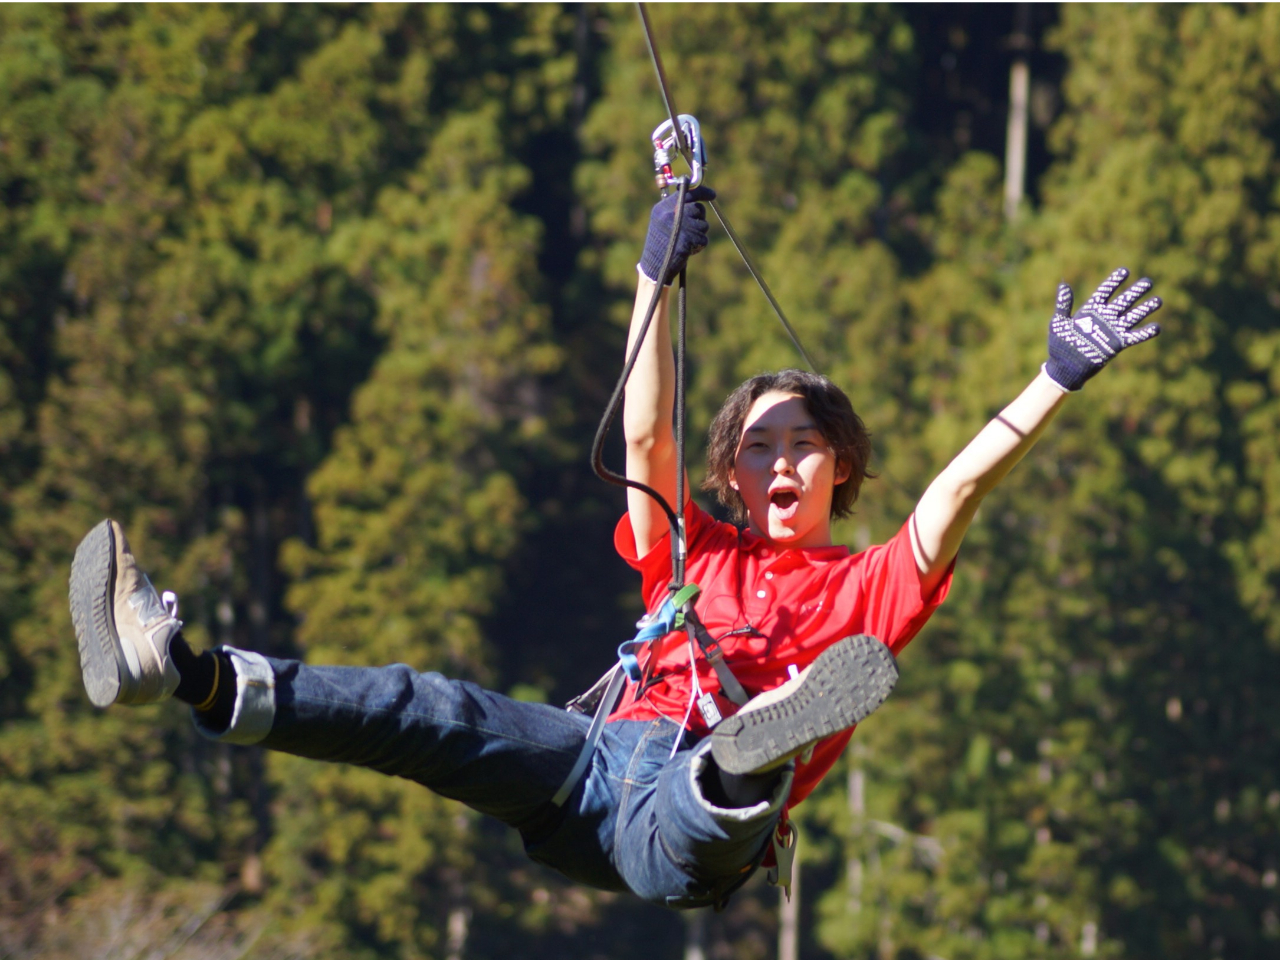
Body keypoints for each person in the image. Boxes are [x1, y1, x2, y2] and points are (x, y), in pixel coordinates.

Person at [68, 187, 1162, 910]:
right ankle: (186, 674)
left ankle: (749, 757)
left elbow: (956, 489)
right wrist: (655, 269)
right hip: (587, 762)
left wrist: (1053, 377)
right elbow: (646, 434)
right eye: (757, 449)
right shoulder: (691, 555)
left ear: (842, 469)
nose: (777, 464)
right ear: (731, 473)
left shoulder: (874, 584)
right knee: (429, 713)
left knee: (706, 797)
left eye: (803, 446)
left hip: (679, 826)